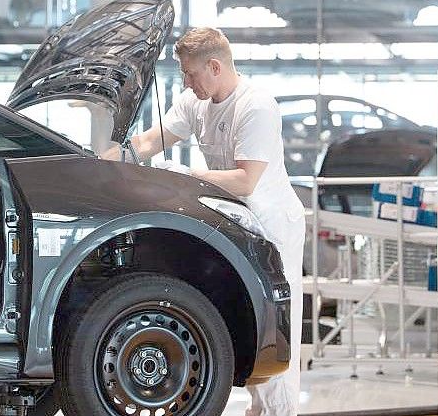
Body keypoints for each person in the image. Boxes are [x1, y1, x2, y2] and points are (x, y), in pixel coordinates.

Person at [102, 27, 306, 416]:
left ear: (215, 66)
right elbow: (149, 143)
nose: (186, 81)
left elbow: (246, 179)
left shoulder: (255, 106)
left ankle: (280, 413)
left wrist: (184, 174)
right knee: (247, 317)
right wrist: (103, 160)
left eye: (191, 74)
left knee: (275, 326)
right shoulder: (195, 100)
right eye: (182, 74)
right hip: (237, 220)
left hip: (272, 224)